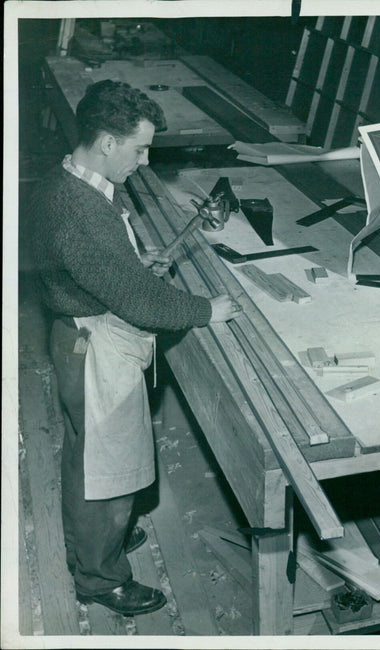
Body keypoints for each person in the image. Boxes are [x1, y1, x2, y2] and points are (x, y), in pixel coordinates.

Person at [31, 79, 242, 616]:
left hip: (79, 327)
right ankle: (100, 579)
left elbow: (100, 268)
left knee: (87, 456)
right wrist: (203, 310)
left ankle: (95, 542)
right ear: (106, 142)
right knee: (111, 470)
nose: (144, 161)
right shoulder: (78, 206)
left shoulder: (72, 183)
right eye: (139, 148)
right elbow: (142, 305)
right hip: (93, 345)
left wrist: (129, 268)